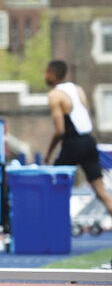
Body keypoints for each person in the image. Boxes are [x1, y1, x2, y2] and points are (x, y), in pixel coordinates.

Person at [44, 60, 112, 217]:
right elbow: (84, 115)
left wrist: (48, 153)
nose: (45, 76)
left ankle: (54, 224)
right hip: (89, 141)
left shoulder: (54, 95)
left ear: (53, 74)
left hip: (72, 143)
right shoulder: (78, 89)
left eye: (46, 73)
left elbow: (60, 131)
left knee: (55, 186)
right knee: (101, 192)